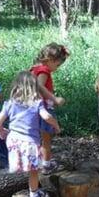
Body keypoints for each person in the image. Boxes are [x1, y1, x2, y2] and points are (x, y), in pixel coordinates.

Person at [0, 71, 61, 197]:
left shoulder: (10, 103)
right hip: (29, 142)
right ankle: (34, 195)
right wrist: (56, 126)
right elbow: (47, 117)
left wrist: (1, 131)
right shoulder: (37, 103)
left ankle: (25, 176)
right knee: (33, 171)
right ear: (34, 87)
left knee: (26, 165)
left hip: (13, 139)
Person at [30, 43, 69, 174]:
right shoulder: (44, 70)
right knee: (46, 137)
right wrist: (54, 98)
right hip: (44, 107)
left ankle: (40, 161)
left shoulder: (34, 68)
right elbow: (40, 86)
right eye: (57, 65)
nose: (57, 68)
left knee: (38, 137)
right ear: (50, 60)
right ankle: (46, 165)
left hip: (34, 107)